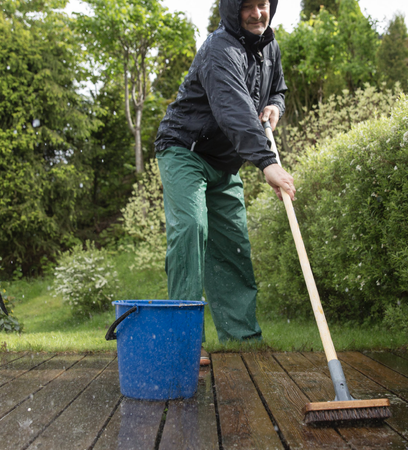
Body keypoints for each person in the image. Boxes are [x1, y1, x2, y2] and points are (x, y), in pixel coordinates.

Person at [154, 0, 295, 362]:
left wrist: (275, 106)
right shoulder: (220, 48)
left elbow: (276, 88)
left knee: (233, 243)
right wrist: (267, 162)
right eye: (247, 6)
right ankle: (184, 343)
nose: (256, 14)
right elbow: (233, 109)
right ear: (232, 10)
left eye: (262, 4)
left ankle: (242, 341)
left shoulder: (269, 46)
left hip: (224, 163)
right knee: (191, 229)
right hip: (185, 149)